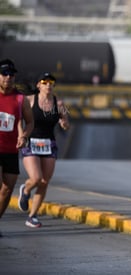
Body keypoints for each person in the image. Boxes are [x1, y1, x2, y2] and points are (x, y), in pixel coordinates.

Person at [18, 72, 70, 228]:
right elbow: (19, 120)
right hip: (31, 142)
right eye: (45, 82)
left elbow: (66, 120)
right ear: (38, 85)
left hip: (49, 143)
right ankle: (26, 190)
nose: (48, 85)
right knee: (36, 178)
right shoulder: (29, 100)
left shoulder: (59, 104)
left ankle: (32, 216)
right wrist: (21, 135)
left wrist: (64, 123)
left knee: (44, 182)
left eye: (51, 83)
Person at [0, 59, 34, 236]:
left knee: (7, 189)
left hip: (11, 150)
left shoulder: (20, 99)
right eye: (4, 74)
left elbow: (30, 122)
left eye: (11, 75)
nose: (8, 77)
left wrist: (24, 135)